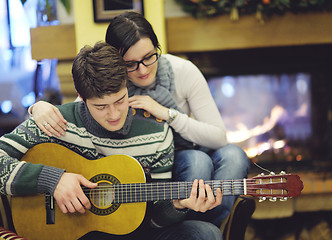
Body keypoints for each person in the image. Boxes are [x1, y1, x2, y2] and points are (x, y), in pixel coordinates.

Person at [28, 11, 251, 235]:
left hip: (185, 147)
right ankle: (188, 222)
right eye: (131, 64)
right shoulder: (111, 84)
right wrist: (37, 107)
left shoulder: (183, 72)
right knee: (198, 161)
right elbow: (82, 106)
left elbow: (218, 137)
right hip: (160, 164)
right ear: (115, 61)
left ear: (157, 48)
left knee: (234, 155)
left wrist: (167, 114)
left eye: (149, 57)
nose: (143, 70)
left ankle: (214, 226)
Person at [0, 42, 223, 240]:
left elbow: (153, 219)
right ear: (81, 96)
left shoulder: (157, 134)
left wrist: (178, 204)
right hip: (70, 232)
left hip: (133, 232)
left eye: (120, 100)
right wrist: (53, 180)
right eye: (101, 106)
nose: (114, 114)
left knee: (206, 233)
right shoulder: (54, 123)